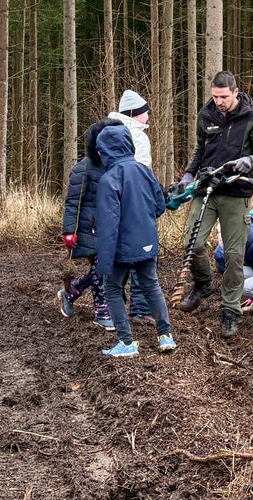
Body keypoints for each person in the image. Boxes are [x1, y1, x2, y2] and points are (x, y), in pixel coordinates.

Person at [172, 70, 253, 339]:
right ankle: (203, 284)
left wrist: (249, 162)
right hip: (206, 190)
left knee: (234, 257)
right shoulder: (206, 115)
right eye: (215, 97)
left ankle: (229, 310)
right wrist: (188, 175)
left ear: (235, 93)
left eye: (224, 97)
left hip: (236, 192)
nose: (219, 102)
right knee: (193, 243)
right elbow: (199, 150)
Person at [93, 124, 177, 356]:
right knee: (151, 285)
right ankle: (165, 336)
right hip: (147, 240)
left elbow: (108, 224)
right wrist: (144, 222)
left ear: (105, 151)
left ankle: (127, 343)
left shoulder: (109, 179)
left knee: (111, 289)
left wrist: (104, 260)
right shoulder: (145, 171)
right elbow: (160, 205)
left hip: (120, 245)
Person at [58, 118, 125, 330]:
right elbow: (72, 202)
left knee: (102, 270)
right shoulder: (83, 169)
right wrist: (69, 231)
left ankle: (71, 292)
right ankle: (101, 310)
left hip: (110, 227)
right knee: (101, 268)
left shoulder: (117, 166)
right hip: (90, 228)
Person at [106, 89, 154, 322]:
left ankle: (111, 306)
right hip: (136, 203)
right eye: (146, 112)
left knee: (117, 255)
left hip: (113, 203)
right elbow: (142, 172)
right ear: (135, 113)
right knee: (142, 254)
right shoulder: (137, 136)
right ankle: (141, 309)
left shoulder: (108, 131)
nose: (148, 116)